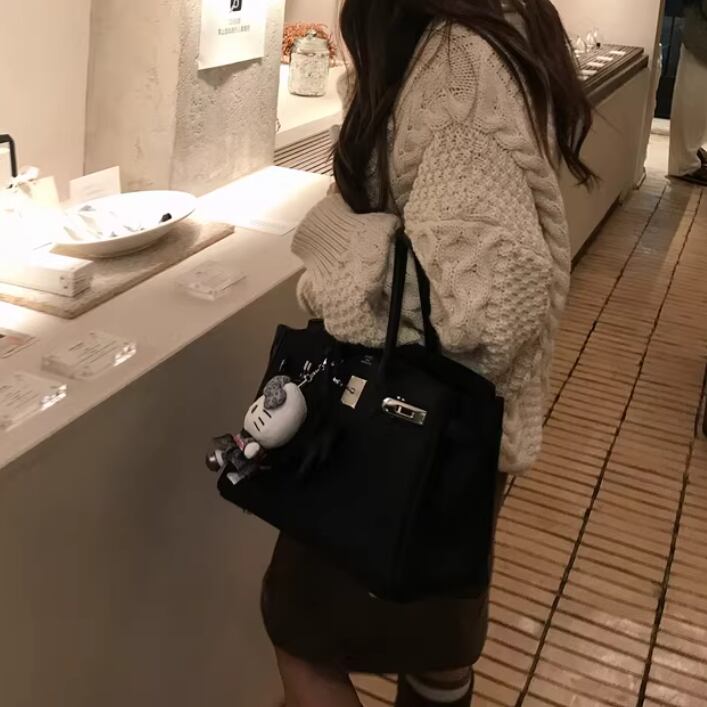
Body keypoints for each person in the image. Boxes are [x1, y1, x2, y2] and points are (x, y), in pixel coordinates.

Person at [261, 1, 593, 705]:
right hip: (459, 437)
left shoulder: (455, 62)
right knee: (436, 653)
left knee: (300, 631)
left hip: (410, 436)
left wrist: (333, 238)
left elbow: (481, 313)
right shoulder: (475, 34)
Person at [669, 0, 707, 186]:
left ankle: (691, 154)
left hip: (699, 31)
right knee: (694, 99)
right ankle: (685, 164)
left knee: (698, 101)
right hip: (700, 36)